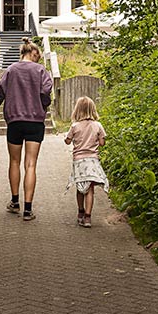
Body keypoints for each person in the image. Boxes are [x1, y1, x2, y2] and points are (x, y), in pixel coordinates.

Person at [0, 37, 52, 221]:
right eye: (37, 56)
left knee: (14, 161)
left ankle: (15, 202)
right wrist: (43, 105)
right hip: (35, 122)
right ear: (33, 53)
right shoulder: (41, 70)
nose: (38, 60)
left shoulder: (11, 70)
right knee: (31, 164)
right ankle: (28, 210)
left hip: (14, 122)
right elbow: (46, 91)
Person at [64, 96, 109, 228]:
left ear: (77, 110)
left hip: (79, 161)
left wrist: (70, 139)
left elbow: (67, 141)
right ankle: (88, 218)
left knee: (80, 188)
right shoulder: (98, 125)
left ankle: (80, 212)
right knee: (90, 189)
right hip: (92, 160)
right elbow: (102, 143)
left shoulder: (75, 126)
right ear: (92, 109)